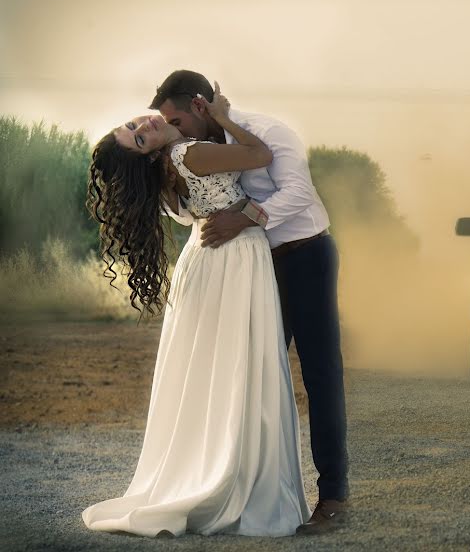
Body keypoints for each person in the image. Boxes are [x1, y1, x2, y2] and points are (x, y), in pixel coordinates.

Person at [82, 87, 311, 537]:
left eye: (134, 126)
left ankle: (202, 466)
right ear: (148, 158)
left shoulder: (166, 175)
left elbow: (198, 212)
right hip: (234, 257)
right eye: (139, 139)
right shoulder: (188, 154)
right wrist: (223, 117)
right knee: (240, 367)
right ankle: (232, 479)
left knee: (210, 370)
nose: (143, 125)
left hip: (204, 259)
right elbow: (260, 154)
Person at [150, 70, 349, 533]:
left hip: (304, 256)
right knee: (250, 378)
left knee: (321, 375)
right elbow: (194, 213)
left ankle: (334, 497)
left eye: (177, 120)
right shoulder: (199, 151)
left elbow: (299, 195)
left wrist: (245, 220)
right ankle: (243, 493)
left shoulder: (270, 131)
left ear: (200, 106)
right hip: (252, 270)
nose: (174, 131)